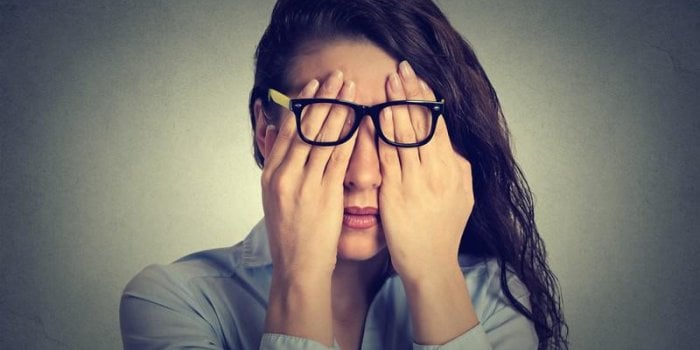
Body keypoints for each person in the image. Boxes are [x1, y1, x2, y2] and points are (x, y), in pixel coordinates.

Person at [120, 0, 568, 349]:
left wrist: (434, 275)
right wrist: (299, 277)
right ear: (265, 131)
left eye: (402, 125)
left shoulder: (493, 295)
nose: (364, 174)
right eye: (327, 120)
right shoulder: (176, 302)